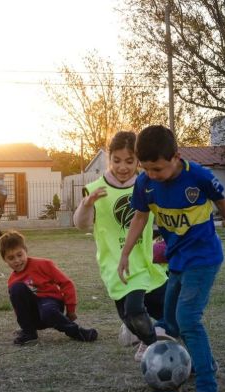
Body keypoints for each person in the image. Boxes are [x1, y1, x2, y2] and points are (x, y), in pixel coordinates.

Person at [117, 125, 225, 392]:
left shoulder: (198, 176)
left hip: (203, 258)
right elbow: (140, 217)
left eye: (158, 169)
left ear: (176, 156)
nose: (152, 175)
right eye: (147, 169)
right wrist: (125, 253)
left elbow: (223, 202)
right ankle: (207, 363)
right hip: (176, 260)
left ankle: (208, 390)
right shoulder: (144, 184)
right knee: (173, 322)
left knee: (188, 319)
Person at [73, 131, 172, 362]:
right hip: (117, 265)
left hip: (147, 262)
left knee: (169, 313)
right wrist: (87, 205)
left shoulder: (147, 183)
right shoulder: (96, 189)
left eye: (129, 161)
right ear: (109, 158)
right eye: (116, 160)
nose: (123, 167)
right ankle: (146, 338)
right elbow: (81, 224)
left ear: (138, 160)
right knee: (130, 313)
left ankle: (152, 343)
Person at [0, 230, 98, 346]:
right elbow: (18, 307)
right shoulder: (13, 281)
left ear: (26, 251)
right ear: (5, 260)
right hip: (36, 315)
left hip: (51, 306)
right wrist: (25, 325)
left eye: (19, 255)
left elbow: (66, 284)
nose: (17, 260)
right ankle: (29, 333)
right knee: (17, 288)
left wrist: (71, 310)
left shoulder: (44, 264)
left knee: (47, 310)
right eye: (11, 258)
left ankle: (77, 332)